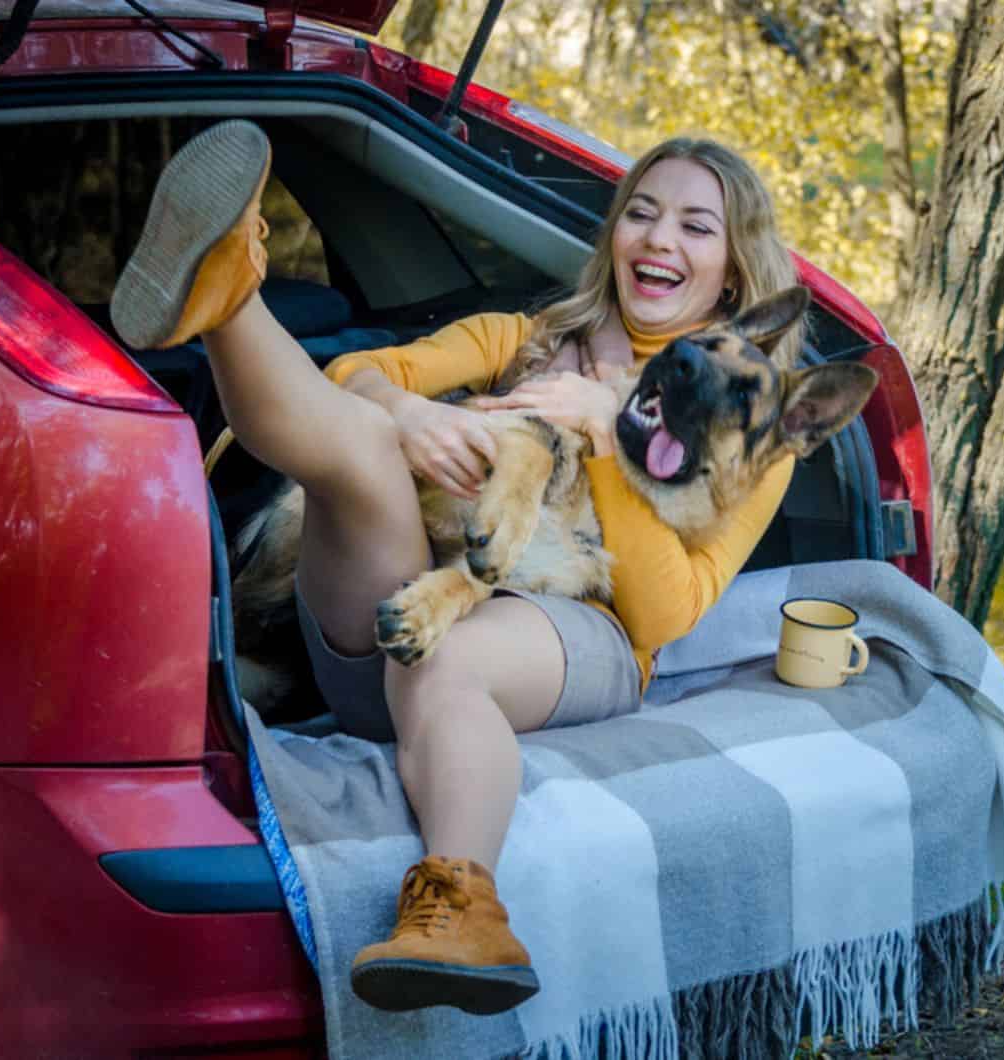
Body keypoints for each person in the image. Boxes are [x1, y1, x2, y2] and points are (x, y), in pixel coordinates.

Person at [109, 121, 803, 1017]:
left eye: (695, 226)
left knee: (451, 656)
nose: (659, 239)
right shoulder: (523, 337)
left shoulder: (755, 429)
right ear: (616, 235)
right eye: (641, 213)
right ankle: (228, 296)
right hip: (391, 628)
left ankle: (460, 908)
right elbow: (357, 373)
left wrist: (608, 433)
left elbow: (666, 613)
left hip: (571, 635)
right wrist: (407, 415)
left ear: (734, 271)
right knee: (358, 444)